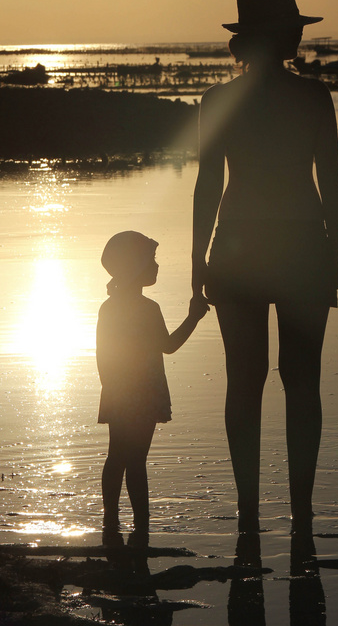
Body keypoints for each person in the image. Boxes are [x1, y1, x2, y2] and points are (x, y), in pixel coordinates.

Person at [192, 0, 338, 535]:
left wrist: (196, 260)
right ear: (280, 37)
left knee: (245, 381)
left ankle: (250, 512)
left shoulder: (218, 101)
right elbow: (330, 178)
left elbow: (208, 185)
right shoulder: (313, 96)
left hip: (238, 247)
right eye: (295, 26)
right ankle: (300, 512)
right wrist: (336, 248)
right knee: (302, 382)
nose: (301, 33)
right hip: (303, 245)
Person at [97, 230, 209, 547]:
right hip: (143, 395)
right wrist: (193, 317)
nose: (157, 266)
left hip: (118, 393)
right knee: (136, 461)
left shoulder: (108, 308)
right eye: (152, 260)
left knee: (117, 456)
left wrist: (112, 390)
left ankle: (111, 523)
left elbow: (101, 358)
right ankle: (141, 530)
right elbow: (169, 346)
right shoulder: (148, 308)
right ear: (136, 266)